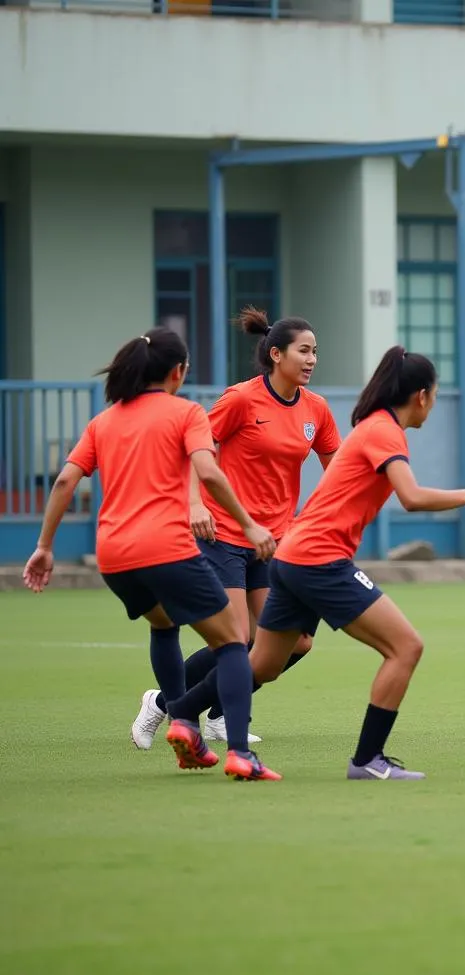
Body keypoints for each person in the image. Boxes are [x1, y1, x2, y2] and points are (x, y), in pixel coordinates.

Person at [167, 345, 465, 781]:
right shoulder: (385, 431)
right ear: (422, 395)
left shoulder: (374, 427)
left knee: (263, 664)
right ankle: (368, 760)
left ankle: (179, 712)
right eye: (436, 394)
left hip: (292, 556)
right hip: (319, 559)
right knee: (406, 648)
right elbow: (411, 496)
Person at [23, 328, 281, 781]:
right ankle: (237, 750)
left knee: (164, 625)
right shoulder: (185, 413)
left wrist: (44, 547)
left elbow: (65, 480)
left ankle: (184, 728)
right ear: (177, 372)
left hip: (115, 557)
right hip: (166, 547)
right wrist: (248, 523)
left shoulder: (104, 421)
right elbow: (209, 472)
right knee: (235, 642)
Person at [130, 308, 340, 750]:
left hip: (275, 542)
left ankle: (221, 715)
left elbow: (337, 470)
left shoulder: (316, 410)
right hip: (223, 532)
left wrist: (322, 518)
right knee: (239, 638)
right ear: (276, 354)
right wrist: (191, 503)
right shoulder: (240, 399)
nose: (312, 359)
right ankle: (165, 703)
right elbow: (195, 449)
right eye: (304, 351)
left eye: (316, 351)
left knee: (294, 644)